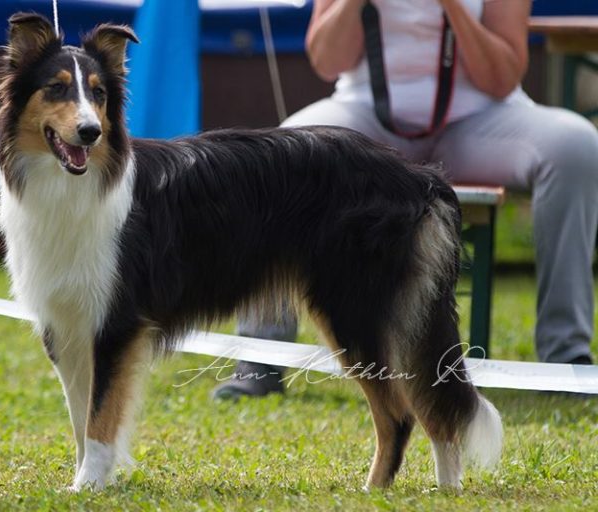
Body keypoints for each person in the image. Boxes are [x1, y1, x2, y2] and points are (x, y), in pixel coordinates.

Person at [213, 0, 598, 399]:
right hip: (368, 113)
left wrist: (453, 7)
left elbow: (502, 77)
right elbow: (326, 61)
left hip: (479, 119)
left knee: (575, 145)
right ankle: (260, 360)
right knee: (286, 152)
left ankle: (565, 358)